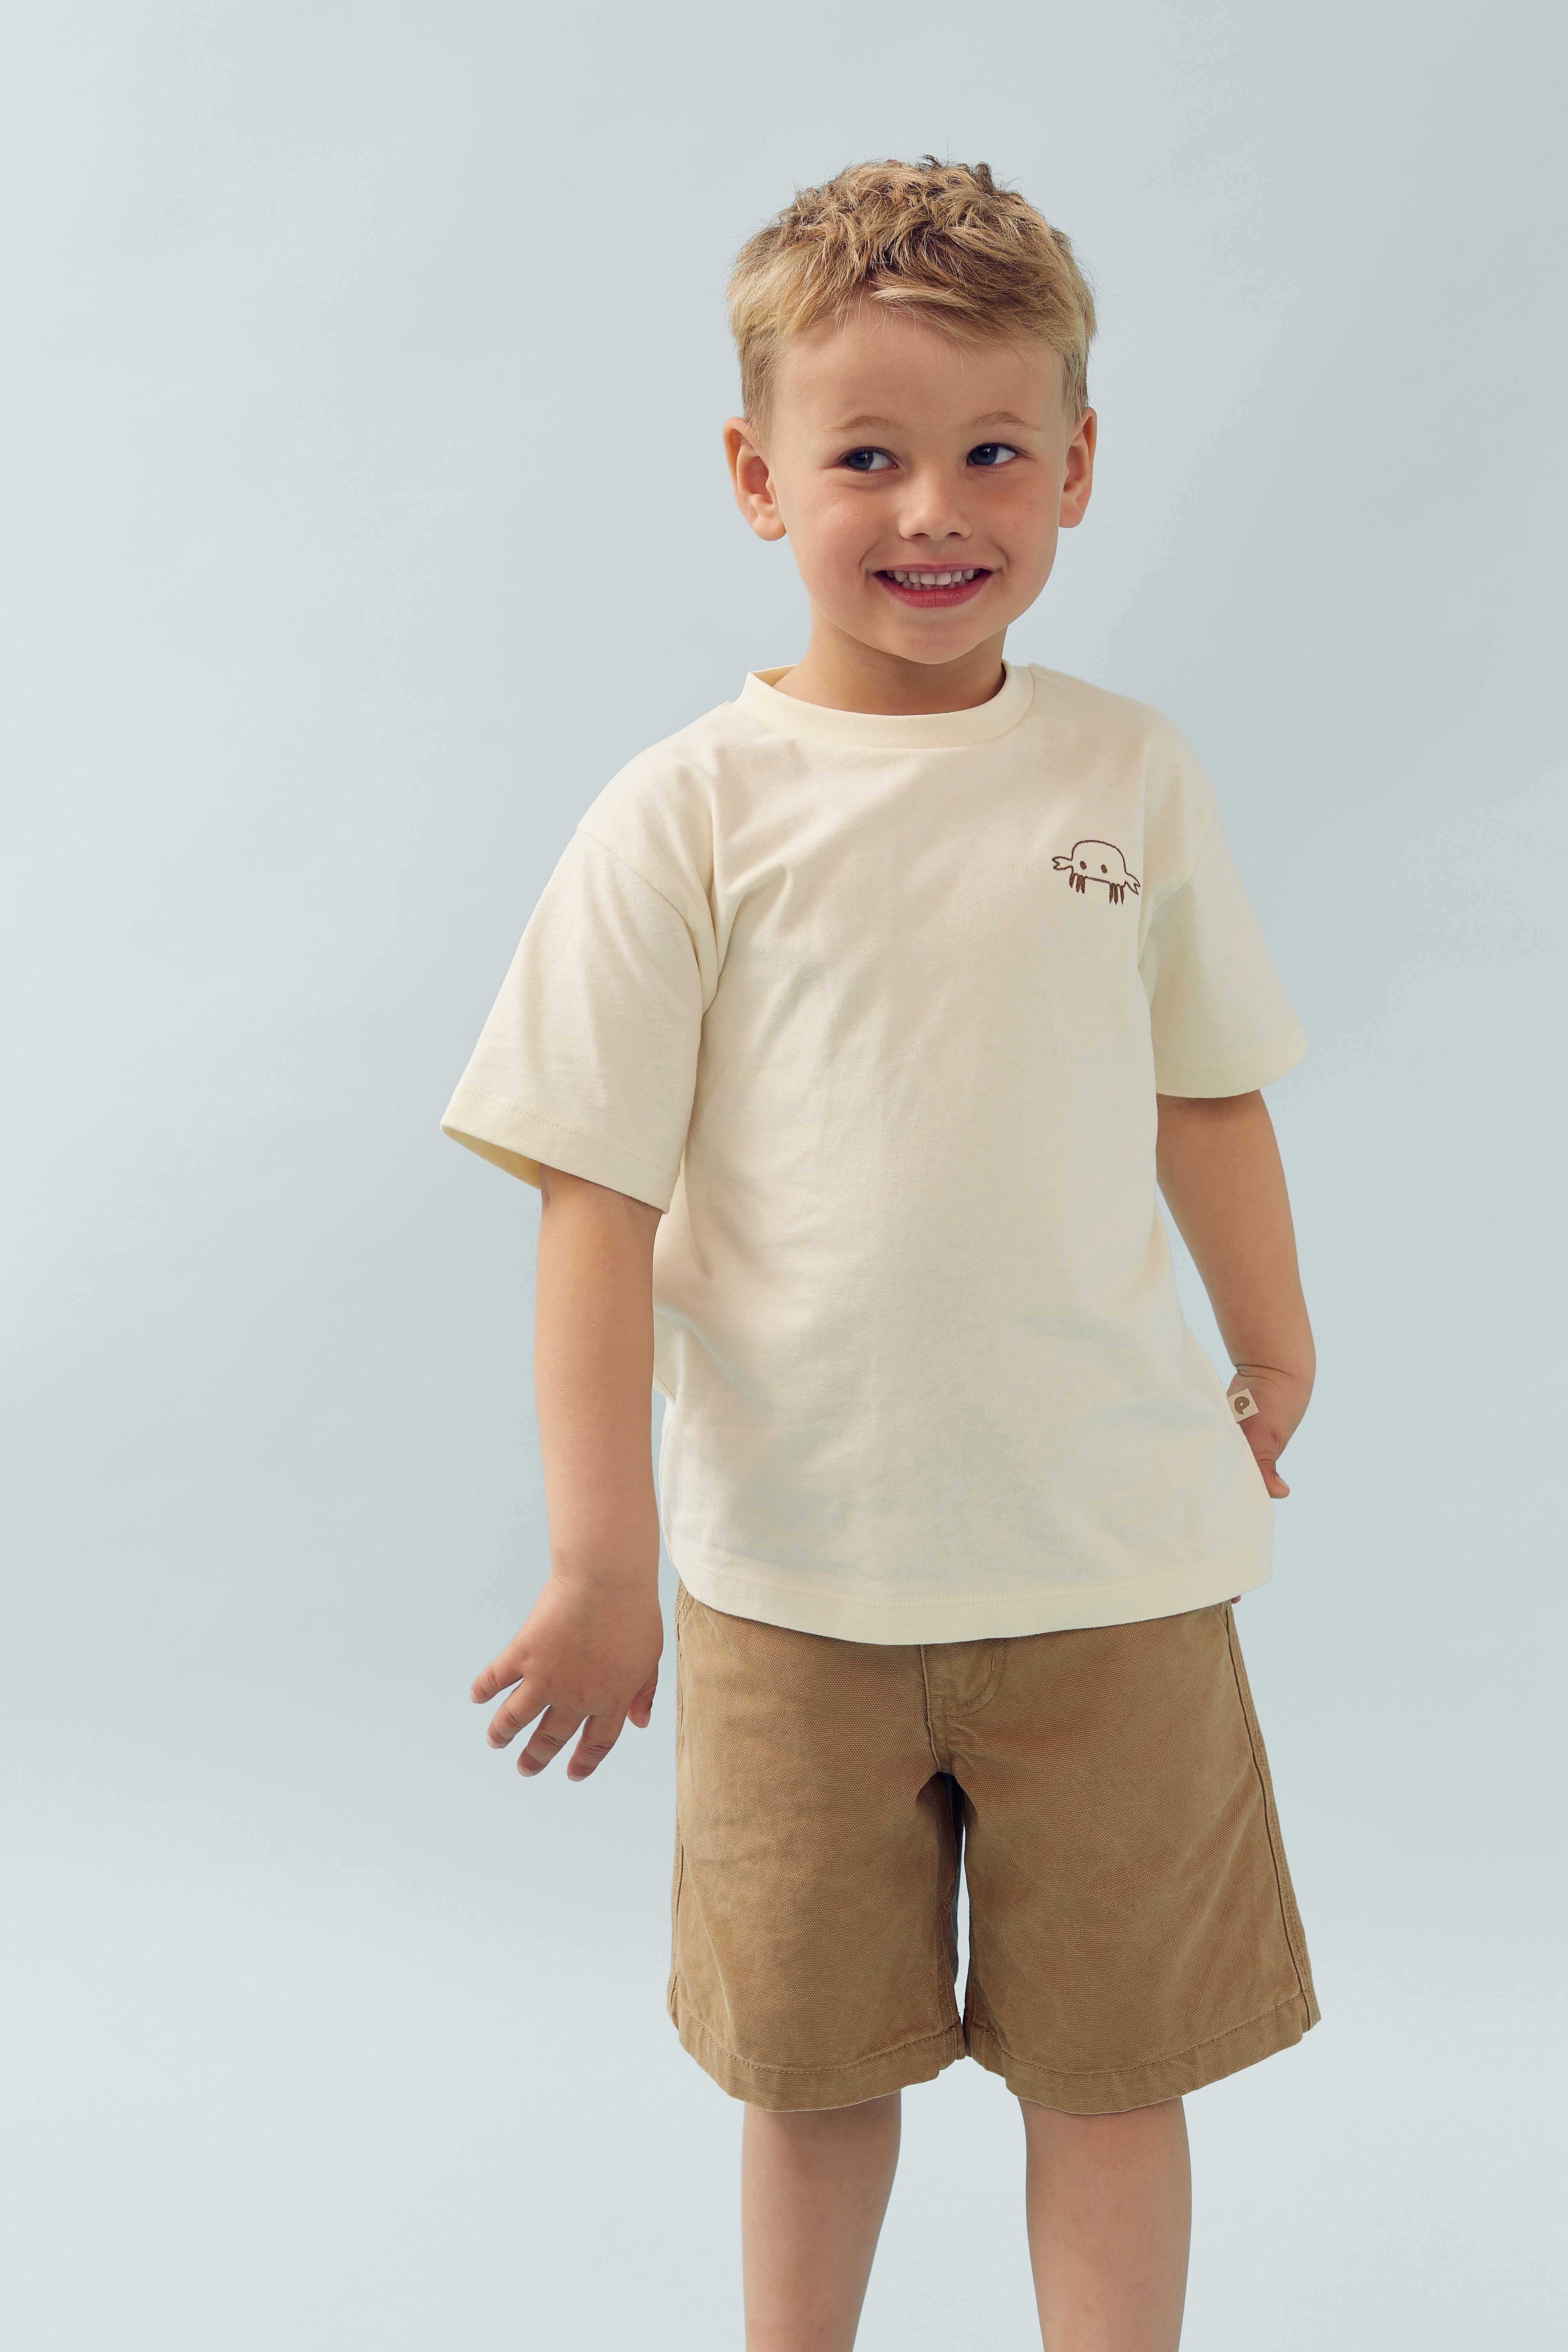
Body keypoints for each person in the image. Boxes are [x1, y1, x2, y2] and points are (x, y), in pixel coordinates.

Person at [442, 157, 1319, 2352]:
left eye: (995, 451)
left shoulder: (1129, 771)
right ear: (757, 478)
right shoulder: (692, 811)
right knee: (814, 2073)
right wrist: (598, 1558)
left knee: (1117, 2071)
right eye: (866, 455)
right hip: (791, 1586)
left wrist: (1276, 1339)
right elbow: (594, 1196)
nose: (936, 507)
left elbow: (1208, 1086)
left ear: (1080, 468)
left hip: (1110, 1567)